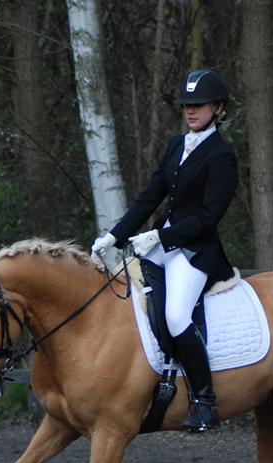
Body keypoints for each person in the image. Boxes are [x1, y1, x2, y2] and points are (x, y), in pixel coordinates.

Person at [91, 69, 239, 432]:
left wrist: (159, 238)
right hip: (161, 244)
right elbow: (150, 196)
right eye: (187, 105)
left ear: (218, 108)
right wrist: (114, 235)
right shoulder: (176, 144)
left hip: (194, 252)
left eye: (198, 105)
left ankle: (205, 401)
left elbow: (208, 217)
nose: (190, 111)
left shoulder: (222, 156)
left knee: (176, 316)